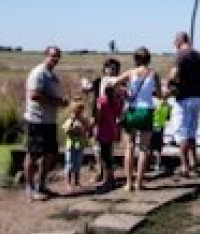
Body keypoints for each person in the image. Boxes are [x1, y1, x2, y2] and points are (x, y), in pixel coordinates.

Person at [23, 46, 68, 201]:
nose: (55, 59)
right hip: (37, 119)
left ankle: (41, 184)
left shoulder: (52, 74)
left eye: (57, 56)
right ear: (46, 55)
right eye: (53, 56)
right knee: (33, 154)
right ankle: (29, 188)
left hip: (49, 120)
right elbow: (33, 95)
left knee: (50, 154)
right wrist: (55, 101)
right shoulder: (38, 73)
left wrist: (61, 102)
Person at [113, 47, 160, 191]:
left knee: (129, 146)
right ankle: (139, 182)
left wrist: (124, 93)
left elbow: (114, 83)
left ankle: (128, 182)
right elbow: (158, 93)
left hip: (132, 110)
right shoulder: (153, 74)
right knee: (144, 149)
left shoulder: (130, 73)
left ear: (136, 59)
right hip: (146, 111)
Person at [168, 31, 200, 178]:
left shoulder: (180, 55)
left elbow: (174, 74)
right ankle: (194, 162)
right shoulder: (199, 55)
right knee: (191, 131)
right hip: (198, 95)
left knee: (182, 132)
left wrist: (170, 83)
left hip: (184, 97)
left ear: (179, 41)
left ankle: (184, 166)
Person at [92, 58, 122, 192]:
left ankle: (108, 179)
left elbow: (99, 115)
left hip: (103, 126)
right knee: (104, 153)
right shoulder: (116, 101)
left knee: (105, 154)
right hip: (110, 126)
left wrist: (92, 124)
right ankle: (106, 176)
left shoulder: (102, 101)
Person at [61, 99, 91, 194]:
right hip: (71, 146)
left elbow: (88, 127)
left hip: (80, 145)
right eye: (77, 110)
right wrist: (74, 129)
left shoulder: (83, 120)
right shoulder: (70, 120)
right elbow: (66, 130)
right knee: (69, 164)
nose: (79, 112)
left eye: (81, 110)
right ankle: (67, 183)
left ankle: (77, 182)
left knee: (78, 164)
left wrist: (86, 125)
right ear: (73, 111)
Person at [149, 95, 172, 172]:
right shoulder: (168, 106)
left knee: (152, 146)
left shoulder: (155, 104)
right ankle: (157, 164)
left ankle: (151, 163)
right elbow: (168, 118)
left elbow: (151, 114)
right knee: (158, 146)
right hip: (159, 126)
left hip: (153, 126)